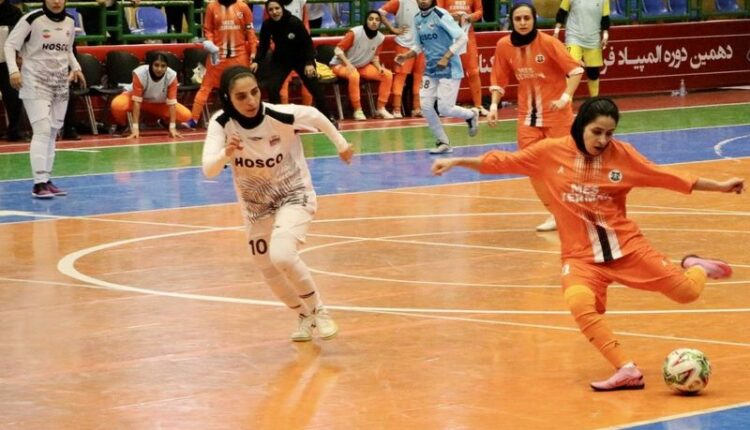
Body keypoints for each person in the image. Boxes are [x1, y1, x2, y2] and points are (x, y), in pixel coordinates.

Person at [432, 97, 745, 391]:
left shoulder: (623, 156)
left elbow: (663, 176)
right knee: (579, 305)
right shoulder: (550, 152)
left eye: (609, 133)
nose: (603, 139)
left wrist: (718, 186)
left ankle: (696, 266)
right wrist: (458, 160)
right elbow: (504, 162)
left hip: (625, 247)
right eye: (596, 131)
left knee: (687, 293)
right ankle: (627, 370)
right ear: (580, 125)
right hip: (580, 257)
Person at [202, 66, 353, 341]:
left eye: (254, 92)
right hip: (256, 206)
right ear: (227, 98)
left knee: (282, 254)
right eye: (241, 96)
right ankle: (304, 316)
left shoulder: (279, 115)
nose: (251, 101)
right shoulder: (221, 123)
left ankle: (320, 310)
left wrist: (341, 144)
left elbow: (316, 115)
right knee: (266, 266)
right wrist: (226, 152)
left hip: (293, 193)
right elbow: (209, 170)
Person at [488, 2, 583, 232]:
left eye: (527, 18)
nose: (522, 23)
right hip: (527, 118)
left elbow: (576, 70)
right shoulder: (504, 46)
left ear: (534, 20)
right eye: (518, 19)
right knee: (532, 166)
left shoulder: (549, 43)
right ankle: (556, 213)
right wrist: (493, 105)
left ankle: (576, 209)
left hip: (557, 116)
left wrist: (566, 97)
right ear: (511, 21)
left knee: (563, 166)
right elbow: (499, 79)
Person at [4, 0, 85, 198]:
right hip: (34, 81)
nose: (56, 1)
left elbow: (67, 50)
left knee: (53, 130)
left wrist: (76, 67)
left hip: (60, 82)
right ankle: (38, 183)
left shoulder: (70, 21)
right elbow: (10, 45)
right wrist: (13, 70)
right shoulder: (31, 19)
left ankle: (47, 179)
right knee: (42, 129)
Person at [394, 0, 479, 154]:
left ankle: (471, 115)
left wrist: (446, 57)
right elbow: (419, 45)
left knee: (444, 108)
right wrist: (406, 56)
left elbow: (462, 38)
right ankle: (443, 142)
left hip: (449, 67)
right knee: (426, 106)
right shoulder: (417, 18)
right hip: (431, 69)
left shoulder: (441, 14)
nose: (422, 1)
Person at [250, 0, 338, 129]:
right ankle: (277, 121)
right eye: (271, 10)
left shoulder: (294, 22)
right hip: (281, 60)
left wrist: (309, 63)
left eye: (277, 8)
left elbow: (307, 44)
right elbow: (263, 46)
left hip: (302, 59)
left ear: (282, 8)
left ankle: (328, 118)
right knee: (273, 87)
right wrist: (256, 61)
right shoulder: (268, 25)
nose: (274, 12)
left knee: (315, 88)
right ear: (268, 12)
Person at [186, 0, 256, 128]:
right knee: (206, 86)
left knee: (244, 88)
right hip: (217, 56)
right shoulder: (211, 7)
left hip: (239, 56)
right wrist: (211, 45)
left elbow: (250, 32)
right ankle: (193, 119)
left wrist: (253, 53)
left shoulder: (243, 7)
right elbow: (208, 30)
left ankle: (249, 117)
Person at [110, 52, 191, 139]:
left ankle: (165, 122)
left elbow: (172, 103)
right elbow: (137, 102)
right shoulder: (140, 73)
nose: (159, 69)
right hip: (135, 100)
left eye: (163, 66)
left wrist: (172, 128)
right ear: (151, 65)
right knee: (117, 104)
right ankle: (123, 125)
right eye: (156, 65)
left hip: (159, 103)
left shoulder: (172, 76)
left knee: (186, 115)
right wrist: (135, 129)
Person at [330, 10, 394, 121]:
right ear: (366, 21)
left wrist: (379, 67)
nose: (374, 22)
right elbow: (338, 50)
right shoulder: (355, 33)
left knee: (387, 75)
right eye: (371, 19)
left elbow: (375, 57)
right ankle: (358, 110)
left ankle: (381, 108)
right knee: (354, 75)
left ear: (380, 23)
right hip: (340, 65)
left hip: (362, 66)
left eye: (377, 20)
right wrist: (348, 64)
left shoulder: (380, 38)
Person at [437, 0, 488, 116]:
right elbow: (438, 12)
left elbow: (480, 11)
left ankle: (478, 106)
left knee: (473, 71)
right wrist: (451, 17)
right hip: (448, 36)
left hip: (468, 35)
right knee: (446, 71)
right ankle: (445, 107)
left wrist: (470, 17)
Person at [554, 0, 610, 97]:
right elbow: (562, 12)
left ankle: (594, 100)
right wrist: (556, 31)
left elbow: (605, 19)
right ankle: (567, 101)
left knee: (593, 73)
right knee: (571, 69)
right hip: (574, 37)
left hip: (593, 40)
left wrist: (605, 37)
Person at [378, 0, 424, 118]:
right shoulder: (399, 1)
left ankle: (417, 108)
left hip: (422, 45)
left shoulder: (427, 2)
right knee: (400, 77)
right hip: (404, 44)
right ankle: (396, 109)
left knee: (419, 77)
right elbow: (380, 13)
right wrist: (393, 29)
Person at [0, 0, 24, 142]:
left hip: (7, 62)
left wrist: (20, 55)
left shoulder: (14, 13)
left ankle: (14, 130)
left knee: (13, 94)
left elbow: (23, 36)